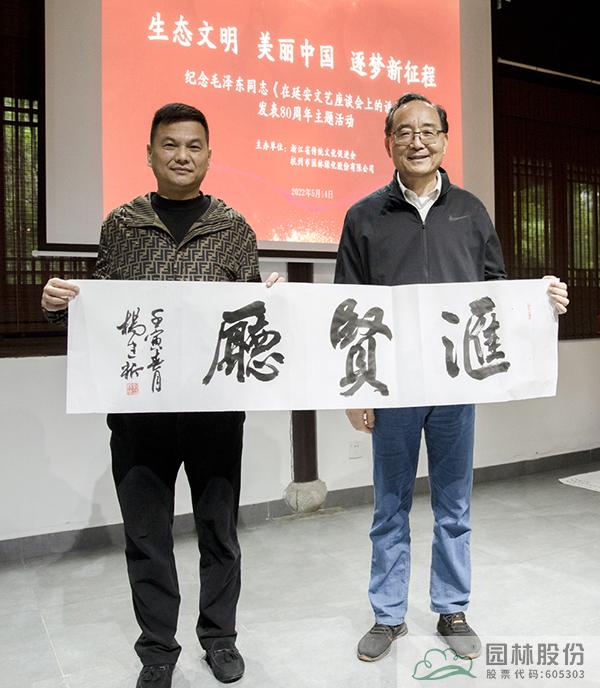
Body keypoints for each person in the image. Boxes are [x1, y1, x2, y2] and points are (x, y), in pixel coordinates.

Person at [41, 103, 282, 688]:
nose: (182, 155)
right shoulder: (121, 227)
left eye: (194, 145)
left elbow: (249, 320)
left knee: (219, 533)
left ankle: (220, 639)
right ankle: (157, 651)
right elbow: (100, 315)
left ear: (209, 155)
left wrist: (273, 301)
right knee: (146, 538)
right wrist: (59, 307)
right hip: (139, 414)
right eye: (170, 145)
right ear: (149, 154)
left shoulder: (234, 228)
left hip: (214, 413)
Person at [334, 92, 569, 663]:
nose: (417, 141)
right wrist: (354, 391)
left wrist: (542, 300)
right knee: (389, 505)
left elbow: (497, 292)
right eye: (404, 132)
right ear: (387, 142)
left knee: (454, 505)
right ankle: (388, 615)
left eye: (428, 131)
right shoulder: (364, 216)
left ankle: (452, 608)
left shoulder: (470, 210)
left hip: (455, 385)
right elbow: (346, 307)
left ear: (443, 139)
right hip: (392, 386)